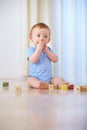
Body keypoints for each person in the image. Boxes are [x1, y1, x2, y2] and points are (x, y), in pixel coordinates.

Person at [27, 23, 67, 89]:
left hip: (49, 78)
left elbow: (55, 59)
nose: (41, 38)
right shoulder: (31, 50)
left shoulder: (48, 50)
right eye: (38, 35)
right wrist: (39, 49)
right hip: (35, 77)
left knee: (59, 79)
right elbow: (33, 60)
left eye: (45, 36)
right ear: (31, 38)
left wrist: (47, 51)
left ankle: (62, 84)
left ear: (48, 40)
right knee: (30, 80)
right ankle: (40, 84)